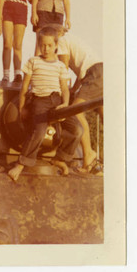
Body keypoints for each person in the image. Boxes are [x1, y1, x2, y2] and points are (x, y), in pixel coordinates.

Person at [8, 26, 82, 182]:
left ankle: (60, 158)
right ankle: (21, 164)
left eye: (50, 45)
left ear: (56, 46)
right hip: (39, 101)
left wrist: (65, 104)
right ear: (39, 44)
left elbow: (64, 88)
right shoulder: (33, 62)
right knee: (39, 132)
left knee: (77, 130)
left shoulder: (61, 66)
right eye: (43, 45)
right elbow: (24, 87)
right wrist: (22, 107)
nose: (46, 49)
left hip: (57, 101)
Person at [53, 25, 103, 172]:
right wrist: (73, 90)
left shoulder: (62, 41)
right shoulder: (73, 40)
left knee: (75, 112)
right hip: (99, 72)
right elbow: (81, 74)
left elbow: (63, 68)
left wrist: (62, 92)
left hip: (94, 74)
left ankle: (88, 153)